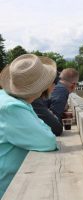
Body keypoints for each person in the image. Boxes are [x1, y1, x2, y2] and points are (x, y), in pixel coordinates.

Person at [0, 54, 58, 198]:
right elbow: (47, 140)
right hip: (8, 189)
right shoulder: (13, 107)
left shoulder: (11, 99)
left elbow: (44, 129)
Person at [32, 72, 63, 136]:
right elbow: (57, 129)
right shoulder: (33, 100)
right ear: (49, 84)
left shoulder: (35, 99)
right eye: (56, 84)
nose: (55, 88)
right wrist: (52, 116)